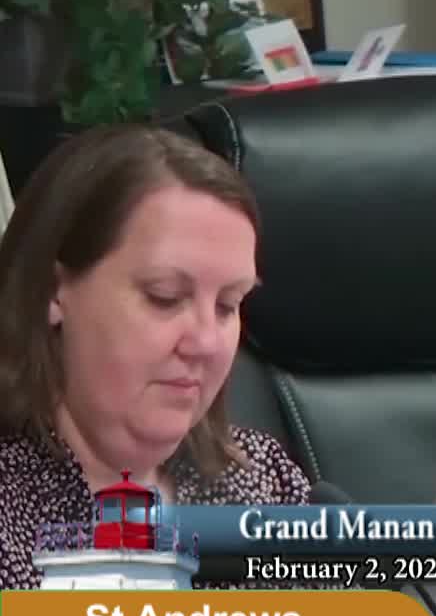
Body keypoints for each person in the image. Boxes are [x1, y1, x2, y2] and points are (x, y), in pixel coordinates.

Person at [0, 126, 311, 589]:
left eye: (228, 305)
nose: (206, 341)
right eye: (165, 297)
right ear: (52, 292)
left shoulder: (265, 482)